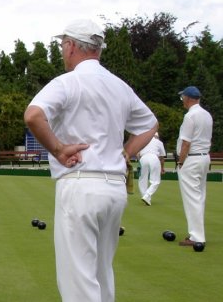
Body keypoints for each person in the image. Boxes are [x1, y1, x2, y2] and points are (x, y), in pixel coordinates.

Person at [24, 19, 157, 302]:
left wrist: (59, 149)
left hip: (81, 185)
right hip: (114, 190)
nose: (62, 51)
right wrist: (127, 152)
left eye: (62, 45)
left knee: (79, 282)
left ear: (71, 46)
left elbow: (33, 115)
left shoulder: (68, 82)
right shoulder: (120, 86)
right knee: (101, 273)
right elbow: (149, 124)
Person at [176, 85, 213, 248]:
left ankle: (196, 236)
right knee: (199, 197)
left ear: (188, 98)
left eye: (183, 98)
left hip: (191, 160)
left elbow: (186, 143)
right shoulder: (207, 115)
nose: (182, 101)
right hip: (204, 158)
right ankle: (197, 233)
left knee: (192, 198)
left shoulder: (190, 116)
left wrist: (181, 162)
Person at [136, 132, 166, 206]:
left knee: (142, 179)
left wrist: (140, 162)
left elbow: (137, 154)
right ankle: (147, 196)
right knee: (155, 180)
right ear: (156, 136)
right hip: (154, 157)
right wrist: (162, 168)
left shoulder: (143, 141)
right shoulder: (159, 142)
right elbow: (162, 157)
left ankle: (146, 198)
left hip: (143, 158)